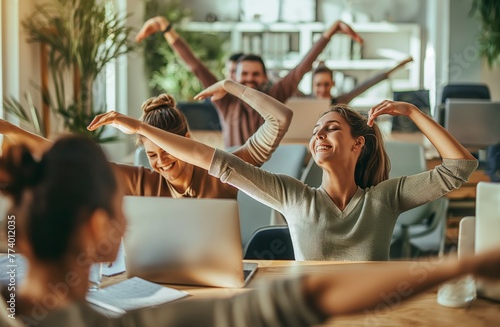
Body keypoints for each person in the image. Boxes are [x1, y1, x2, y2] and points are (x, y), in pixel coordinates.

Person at [1, 136, 500, 327]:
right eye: (121, 210)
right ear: (96, 230)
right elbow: (309, 294)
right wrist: (466, 264)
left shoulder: (385, 195)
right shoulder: (131, 326)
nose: (129, 220)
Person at [88, 99, 478, 261]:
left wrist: (412, 111)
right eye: (316, 131)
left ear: (358, 144)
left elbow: (459, 167)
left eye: (331, 129)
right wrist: (138, 126)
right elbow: (209, 159)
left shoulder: (387, 198)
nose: (319, 135)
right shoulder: (292, 196)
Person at [0, 79, 292, 199]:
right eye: (152, 156)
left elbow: (280, 119)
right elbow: (71, 159)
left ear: (187, 140)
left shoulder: (225, 171)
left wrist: (231, 86)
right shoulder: (143, 182)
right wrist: (9, 129)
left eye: (167, 152)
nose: (161, 163)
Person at [135, 16, 364, 147]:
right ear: (234, 77)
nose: (250, 79)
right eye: (244, 75)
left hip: (267, 171)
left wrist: (331, 30)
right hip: (231, 171)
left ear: (264, 77)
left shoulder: (274, 96)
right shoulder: (225, 100)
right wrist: (166, 29)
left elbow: (302, 67)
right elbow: (196, 66)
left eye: (255, 74)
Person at [312, 56, 414, 102]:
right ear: (313, 85)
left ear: (333, 83)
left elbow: (368, 83)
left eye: (326, 84)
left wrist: (400, 65)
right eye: (318, 84)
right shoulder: (303, 101)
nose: (322, 89)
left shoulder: (341, 101)